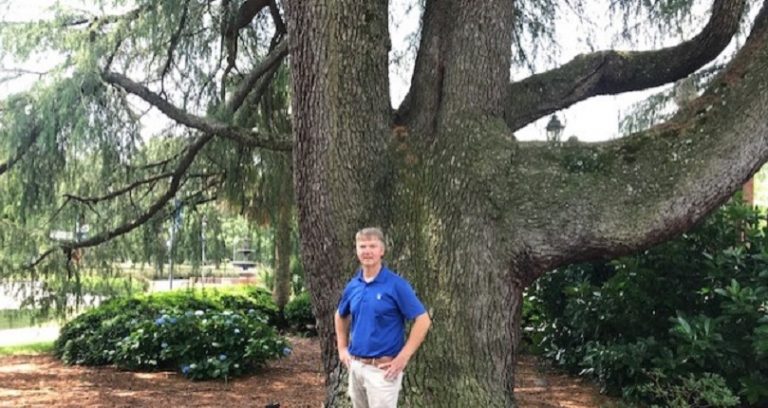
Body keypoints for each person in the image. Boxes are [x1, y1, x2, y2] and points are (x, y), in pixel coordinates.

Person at [334, 227, 431, 408]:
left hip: (382, 372)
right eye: (362, 246)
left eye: (372, 246)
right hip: (356, 367)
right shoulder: (353, 286)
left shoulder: (396, 285)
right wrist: (342, 348)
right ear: (357, 251)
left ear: (382, 251)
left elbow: (423, 320)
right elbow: (340, 316)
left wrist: (403, 357)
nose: (367, 251)